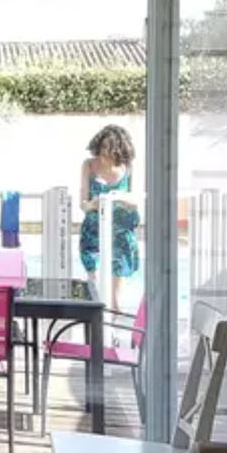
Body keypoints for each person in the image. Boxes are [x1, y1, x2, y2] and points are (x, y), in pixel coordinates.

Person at [78, 124, 140, 313]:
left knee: (116, 291)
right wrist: (95, 204)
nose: (106, 152)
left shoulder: (127, 168)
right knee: (94, 280)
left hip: (120, 229)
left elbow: (136, 200)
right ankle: (96, 312)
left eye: (111, 149)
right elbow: (83, 203)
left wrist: (119, 198)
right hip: (94, 228)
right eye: (103, 147)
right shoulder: (89, 165)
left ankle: (115, 314)